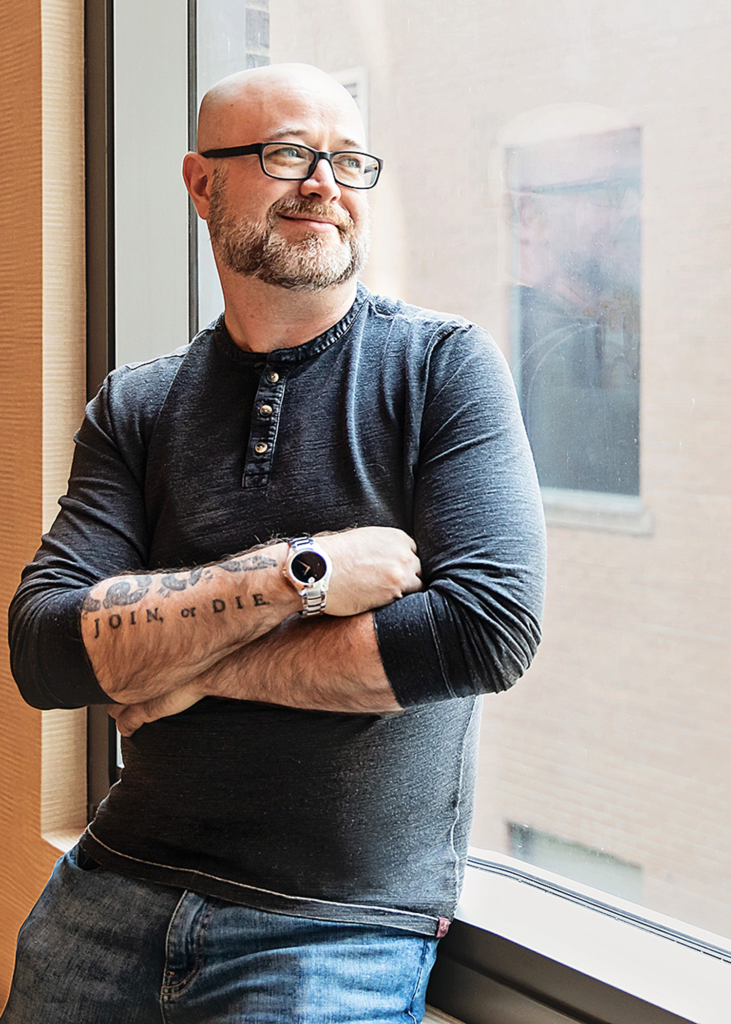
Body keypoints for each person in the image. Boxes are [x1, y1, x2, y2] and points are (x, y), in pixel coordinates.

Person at [3, 63, 546, 1023]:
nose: (324, 184)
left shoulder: (441, 368)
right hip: (104, 892)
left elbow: (482, 631)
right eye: (288, 153)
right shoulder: (137, 404)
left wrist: (185, 670)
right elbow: (46, 648)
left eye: (346, 159)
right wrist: (305, 574)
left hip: (331, 930)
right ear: (201, 183)